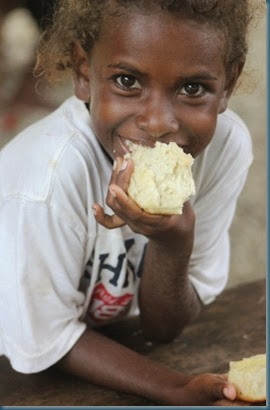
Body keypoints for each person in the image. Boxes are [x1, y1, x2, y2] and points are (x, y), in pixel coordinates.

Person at [0, 0, 261, 405]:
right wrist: (175, 387)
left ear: (227, 84)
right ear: (84, 70)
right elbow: (45, 340)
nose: (158, 123)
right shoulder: (46, 181)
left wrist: (171, 246)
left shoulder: (226, 148)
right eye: (127, 81)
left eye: (192, 88)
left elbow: (162, 329)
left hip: (111, 342)